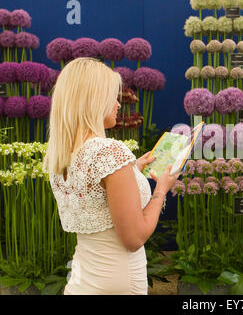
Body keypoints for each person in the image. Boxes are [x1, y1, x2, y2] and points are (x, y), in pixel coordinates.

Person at [43, 57, 180, 295]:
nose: (118, 105)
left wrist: (130, 170)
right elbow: (134, 238)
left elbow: (97, 195)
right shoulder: (109, 152)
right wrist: (161, 191)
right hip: (118, 281)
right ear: (93, 100)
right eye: (111, 96)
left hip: (83, 278)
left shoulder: (62, 154)